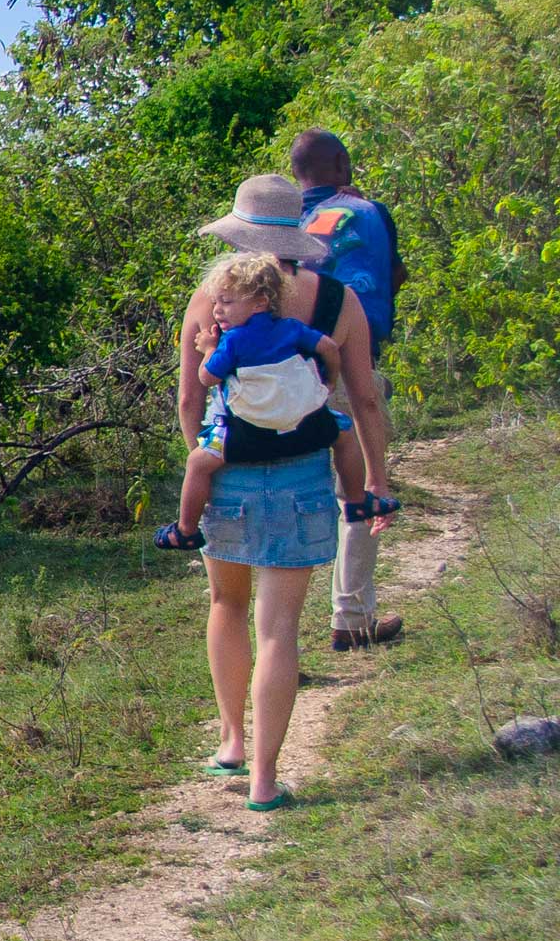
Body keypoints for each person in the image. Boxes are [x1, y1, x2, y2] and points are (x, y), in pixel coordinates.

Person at [176, 174, 395, 810]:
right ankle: (266, 781)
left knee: (226, 604)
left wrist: (209, 449)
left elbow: (191, 394)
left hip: (230, 473)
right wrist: (375, 478)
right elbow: (363, 395)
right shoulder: (337, 300)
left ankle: (230, 742)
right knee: (280, 630)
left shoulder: (213, 297)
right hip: (305, 473)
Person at [156, 251, 394, 550]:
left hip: (246, 432)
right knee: (345, 436)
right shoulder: (291, 328)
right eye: (216, 302)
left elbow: (205, 379)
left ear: (260, 302)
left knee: (198, 463)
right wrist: (330, 381)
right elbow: (330, 348)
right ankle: (357, 501)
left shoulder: (233, 342)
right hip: (304, 424)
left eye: (226, 302)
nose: (217, 310)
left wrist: (208, 348)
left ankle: (186, 529)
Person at [292, 128, 408, 650]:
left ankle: (279, 636)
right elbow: (392, 276)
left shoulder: (271, 221)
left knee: (286, 491)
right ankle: (352, 614)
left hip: (276, 376)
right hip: (347, 362)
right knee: (356, 493)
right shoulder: (367, 214)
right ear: (341, 164)